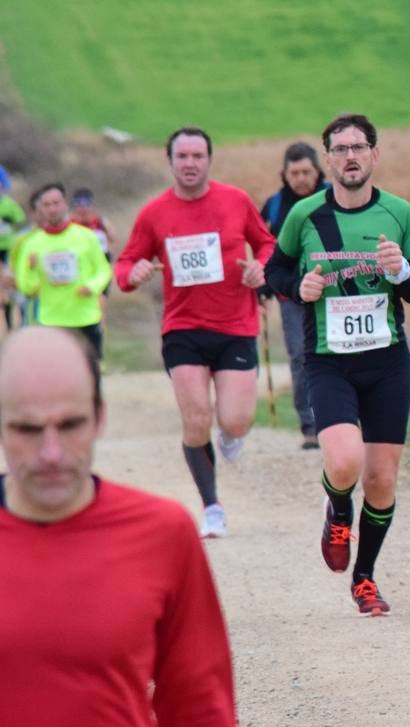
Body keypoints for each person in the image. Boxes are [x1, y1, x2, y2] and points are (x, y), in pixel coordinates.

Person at [0, 326, 236, 727]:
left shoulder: (163, 534)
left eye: (71, 425)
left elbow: (200, 712)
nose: (51, 453)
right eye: (27, 429)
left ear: (100, 417)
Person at [265, 113, 410, 616]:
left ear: (375, 155)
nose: (351, 156)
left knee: (381, 480)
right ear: (328, 160)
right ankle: (338, 511)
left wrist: (399, 269)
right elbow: (275, 268)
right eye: (340, 149)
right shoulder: (305, 216)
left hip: (387, 362)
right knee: (344, 463)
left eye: (359, 147)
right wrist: (299, 288)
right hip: (329, 361)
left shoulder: (399, 213)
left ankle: (365, 578)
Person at [115, 127, 275, 538]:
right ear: (170, 162)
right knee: (196, 419)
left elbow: (267, 244)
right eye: (182, 156)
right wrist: (132, 274)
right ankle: (212, 507)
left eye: (197, 156)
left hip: (236, 325)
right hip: (183, 328)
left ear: (209, 160)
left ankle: (231, 433)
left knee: (235, 420)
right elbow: (125, 265)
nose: (189, 163)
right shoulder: (154, 213)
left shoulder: (235, 201)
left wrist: (262, 268)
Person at [259, 143, 327, 449]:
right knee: (301, 357)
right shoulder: (273, 207)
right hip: (291, 298)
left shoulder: (335, 198)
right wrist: (263, 287)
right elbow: (263, 250)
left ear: (318, 171)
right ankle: (310, 424)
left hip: (333, 294)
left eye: (306, 172)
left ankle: (338, 420)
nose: (301, 178)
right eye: (294, 172)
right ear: (285, 174)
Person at [11, 182, 112, 357]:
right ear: (40, 209)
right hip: (51, 319)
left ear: (65, 204)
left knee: (90, 377)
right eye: (47, 205)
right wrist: (33, 270)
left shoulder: (86, 236)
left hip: (85, 317)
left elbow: (104, 270)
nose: (52, 209)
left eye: (56, 203)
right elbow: (26, 286)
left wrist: (92, 286)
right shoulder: (31, 244)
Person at [0, 165, 27, 332]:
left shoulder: (9, 204)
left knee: (8, 283)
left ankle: (10, 323)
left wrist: (8, 221)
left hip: (7, 247)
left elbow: (21, 221)